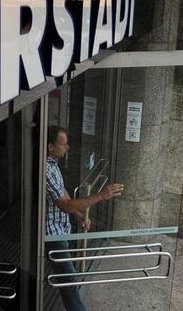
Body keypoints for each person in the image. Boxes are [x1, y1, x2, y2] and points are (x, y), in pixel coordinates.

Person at [45, 126, 124, 311]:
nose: (67, 148)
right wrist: (101, 195)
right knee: (70, 283)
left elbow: (64, 195)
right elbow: (64, 204)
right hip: (53, 234)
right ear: (50, 146)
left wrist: (78, 214)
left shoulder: (52, 165)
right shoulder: (46, 170)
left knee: (68, 281)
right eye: (63, 144)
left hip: (62, 230)